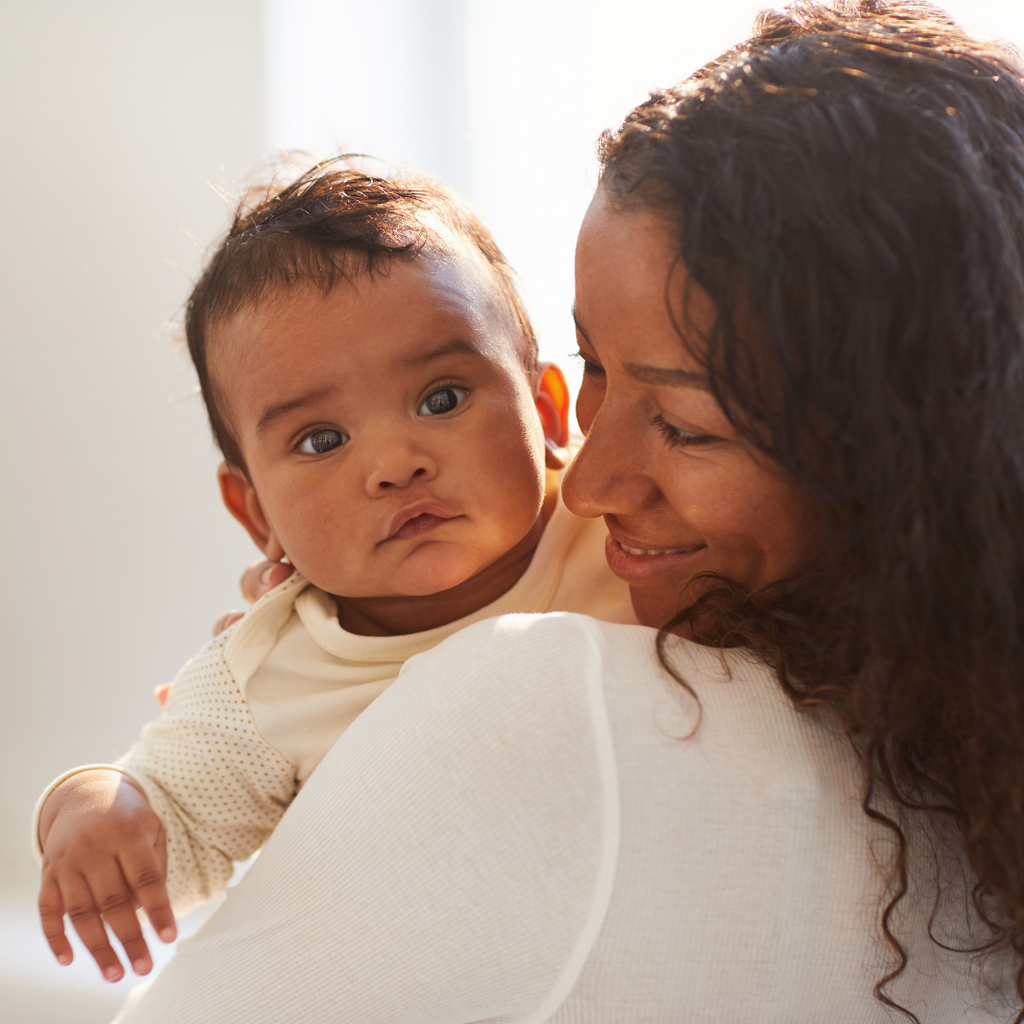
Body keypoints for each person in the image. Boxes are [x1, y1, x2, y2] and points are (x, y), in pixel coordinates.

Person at [89, 1, 1024, 1019]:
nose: (580, 482)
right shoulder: (963, 749)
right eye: (594, 370)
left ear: (904, 454)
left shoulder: (537, 692)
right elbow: (169, 809)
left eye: (686, 424)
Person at [33, 163, 638, 982]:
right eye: (321, 440)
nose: (394, 463)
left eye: (442, 398)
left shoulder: (621, 531)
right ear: (256, 515)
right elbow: (177, 823)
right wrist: (95, 806)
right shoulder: (269, 669)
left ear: (548, 411)